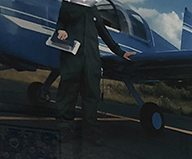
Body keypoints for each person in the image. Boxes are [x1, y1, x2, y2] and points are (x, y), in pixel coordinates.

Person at [54, 0, 135, 145]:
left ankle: (90, 132)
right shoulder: (68, 6)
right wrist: (61, 30)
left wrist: (120, 52)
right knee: (67, 92)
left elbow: (104, 33)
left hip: (92, 60)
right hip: (72, 57)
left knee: (92, 95)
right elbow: (61, 23)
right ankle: (64, 129)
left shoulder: (93, 10)